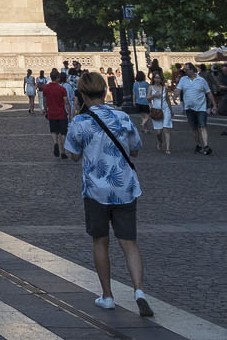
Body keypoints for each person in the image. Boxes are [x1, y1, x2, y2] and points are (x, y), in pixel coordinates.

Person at [65, 71, 152, 316]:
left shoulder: (80, 122)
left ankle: (107, 295)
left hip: (96, 191)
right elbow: (135, 150)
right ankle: (139, 291)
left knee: (100, 241)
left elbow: (73, 155)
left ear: (81, 93)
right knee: (129, 242)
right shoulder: (123, 117)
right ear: (105, 91)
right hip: (124, 188)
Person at [175, 64, 214, 155]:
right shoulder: (183, 79)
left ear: (192, 70)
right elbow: (178, 89)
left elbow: (209, 93)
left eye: (187, 69)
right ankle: (198, 144)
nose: (185, 71)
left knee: (202, 126)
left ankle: (206, 145)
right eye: (185, 70)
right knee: (194, 128)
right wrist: (175, 96)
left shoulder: (201, 80)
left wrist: (214, 104)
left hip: (201, 107)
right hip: (189, 108)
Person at [41, 69, 71, 159]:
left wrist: (46, 110)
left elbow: (45, 101)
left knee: (53, 131)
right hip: (61, 113)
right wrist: (69, 113)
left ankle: (55, 143)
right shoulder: (62, 89)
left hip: (52, 113)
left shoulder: (46, 88)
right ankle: (63, 151)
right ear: (57, 78)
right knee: (63, 133)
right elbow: (66, 102)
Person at [148, 81, 174, 153]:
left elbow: (167, 99)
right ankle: (160, 141)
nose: (157, 79)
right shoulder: (151, 87)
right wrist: (154, 96)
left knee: (166, 128)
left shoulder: (164, 88)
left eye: (159, 78)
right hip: (156, 111)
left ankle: (168, 148)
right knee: (158, 132)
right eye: (156, 78)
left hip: (165, 109)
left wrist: (171, 110)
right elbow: (148, 98)